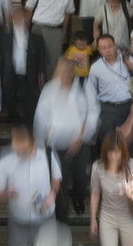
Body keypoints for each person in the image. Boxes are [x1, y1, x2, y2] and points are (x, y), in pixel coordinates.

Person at [0, 125, 62, 246]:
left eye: (24, 151)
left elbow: (56, 178)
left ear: (33, 145)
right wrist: (6, 194)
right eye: (17, 151)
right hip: (19, 222)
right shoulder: (6, 160)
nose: (20, 154)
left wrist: (52, 194)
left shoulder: (48, 155)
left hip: (45, 217)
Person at [34, 58, 92, 221]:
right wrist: (44, 144)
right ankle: (61, 217)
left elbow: (86, 116)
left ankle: (79, 199)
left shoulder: (78, 89)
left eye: (69, 72)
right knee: (61, 181)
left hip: (79, 144)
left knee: (81, 177)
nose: (66, 75)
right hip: (57, 147)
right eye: (63, 72)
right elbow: (41, 119)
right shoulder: (48, 90)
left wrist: (79, 140)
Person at [86, 35, 133, 155]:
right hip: (107, 109)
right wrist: (93, 115)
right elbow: (90, 92)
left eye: (109, 46)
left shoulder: (126, 59)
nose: (107, 50)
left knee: (128, 141)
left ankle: (127, 168)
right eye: (103, 48)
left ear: (114, 46)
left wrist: (132, 66)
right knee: (108, 142)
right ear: (99, 50)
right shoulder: (95, 68)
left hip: (127, 107)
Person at [25, 0, 75, 93]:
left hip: (55, 30)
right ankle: (34, 88)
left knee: (53, 62)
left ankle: (50, 89)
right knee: (34, 59)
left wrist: (64, 32)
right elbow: (29, 9)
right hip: (37, 28)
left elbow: (68, 14)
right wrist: (26, 29)